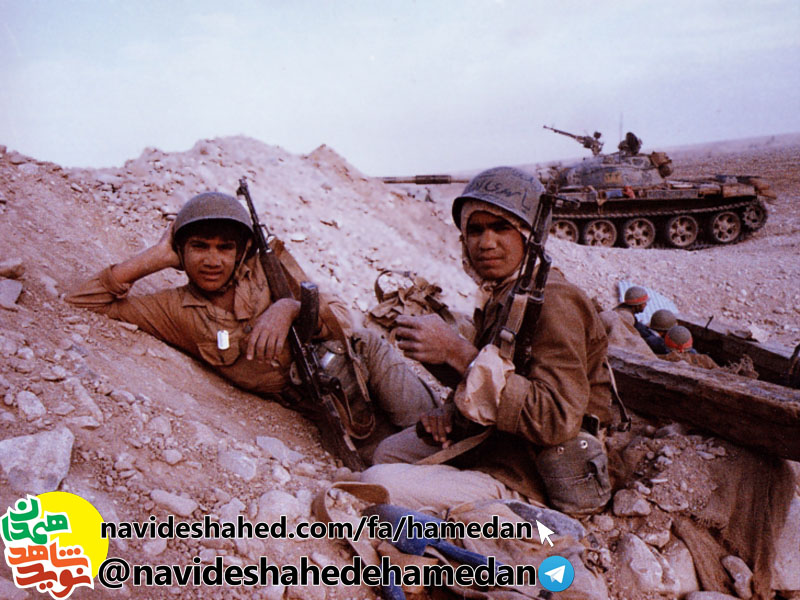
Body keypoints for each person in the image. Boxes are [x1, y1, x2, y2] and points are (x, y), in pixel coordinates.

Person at [65, 192, 435, 464]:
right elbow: (86, 301)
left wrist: (289, 308)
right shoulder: (175, 310)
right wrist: (156, 257)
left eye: (225, 248)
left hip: (363, 364)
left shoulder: (268, 270)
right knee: (386, 467)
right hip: (326, 402)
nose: (212, 260)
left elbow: (342, 318)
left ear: (242, 250)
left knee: (433, 435)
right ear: (181, 252)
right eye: (199, 247)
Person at [360, 167, 614, 515]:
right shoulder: (506, 295)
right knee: (387, 454)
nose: (486, 242)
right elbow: (506, 372)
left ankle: (525, 514)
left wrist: (456, 352)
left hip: (533, 473)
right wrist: (451, 410)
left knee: (376, 482)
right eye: (475, 230)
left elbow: (557, 418)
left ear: (529, 235)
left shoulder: (555, 301)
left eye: (501, 227)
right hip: (498, 441)